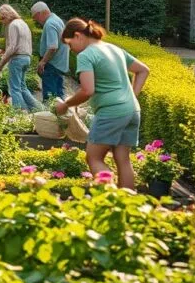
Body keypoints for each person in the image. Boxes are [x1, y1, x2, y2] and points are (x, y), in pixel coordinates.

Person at [55, 19, 150, 189]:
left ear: (78, 36)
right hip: (132, 110)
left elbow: (87, 90)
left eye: (70, 44)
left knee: (93, 158)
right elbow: (143, 70)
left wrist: (66, 105)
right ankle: (128, 206)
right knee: (123, 160)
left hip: (111, 113)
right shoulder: (113, 48)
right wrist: (130, 96)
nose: (71, 50)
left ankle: (110, 200)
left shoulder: (86, 55)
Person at [0, 4, 41, 112]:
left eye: (2, 18)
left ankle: (21, 113)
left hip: (17, 59)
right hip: (26, 58)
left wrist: (1, 63)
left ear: (7, 15)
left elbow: (13, 47)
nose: (2, 21)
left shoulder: (13, 25)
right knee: (22, 88)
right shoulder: (23, 23)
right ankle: (39, 109)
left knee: (14, 89)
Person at [30, 1, 70, 99]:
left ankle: (53, 113)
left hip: (52, 65)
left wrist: (43, 62)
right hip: (60, 64)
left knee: (50, 99)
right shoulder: (57, 20)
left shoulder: (49, 24)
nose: (36, 20)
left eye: (35, 17)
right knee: (59, 96)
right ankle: (62, 114)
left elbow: (53, 47)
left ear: (40, 13)